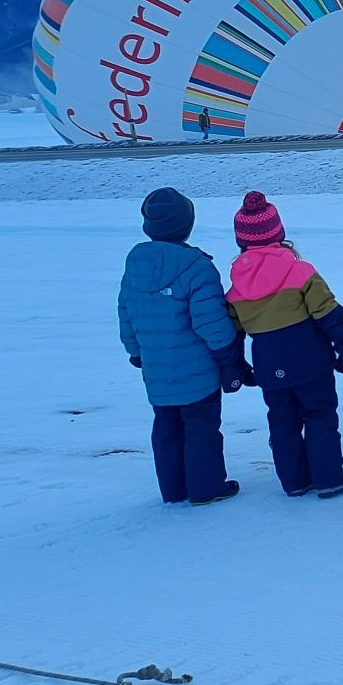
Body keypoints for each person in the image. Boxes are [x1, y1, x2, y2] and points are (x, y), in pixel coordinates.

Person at [225, 191, 343, 498]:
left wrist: (237, 367)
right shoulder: (301, 271)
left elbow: (233, 333)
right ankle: (329, 477)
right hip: (311, 360)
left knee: (282, 421)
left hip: (269, 365)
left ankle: (295, 481)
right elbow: (329, 314)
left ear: (241, 241)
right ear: (279, 233)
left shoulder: (236, 287)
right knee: (320, 415)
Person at [116, 187, 244, 506]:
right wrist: (228, 355)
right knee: (201, 427)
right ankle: (206, 487)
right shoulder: (196, 266)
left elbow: (126, 312)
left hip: (157, 369)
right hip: (197, 370)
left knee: (167, 428)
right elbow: (210, 321)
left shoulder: (135, 265)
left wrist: (136, 352)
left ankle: (174, 489)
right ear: (187, 224)